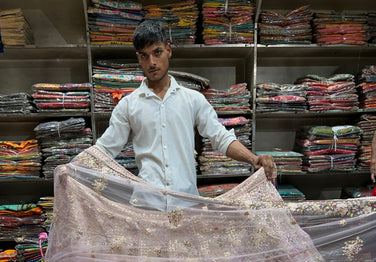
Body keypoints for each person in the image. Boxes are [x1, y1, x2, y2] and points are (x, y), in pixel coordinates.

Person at [95, 20, 276, 206]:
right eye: (144, 56)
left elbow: (220, 137)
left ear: (169, 50)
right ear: (138, 58)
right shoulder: (128, 105)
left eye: (157, 52)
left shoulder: (192, 99)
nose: (152, 62)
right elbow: (105, 148)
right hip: (146, 206)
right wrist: (71, 169)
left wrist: (253, 159)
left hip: (186, 204)